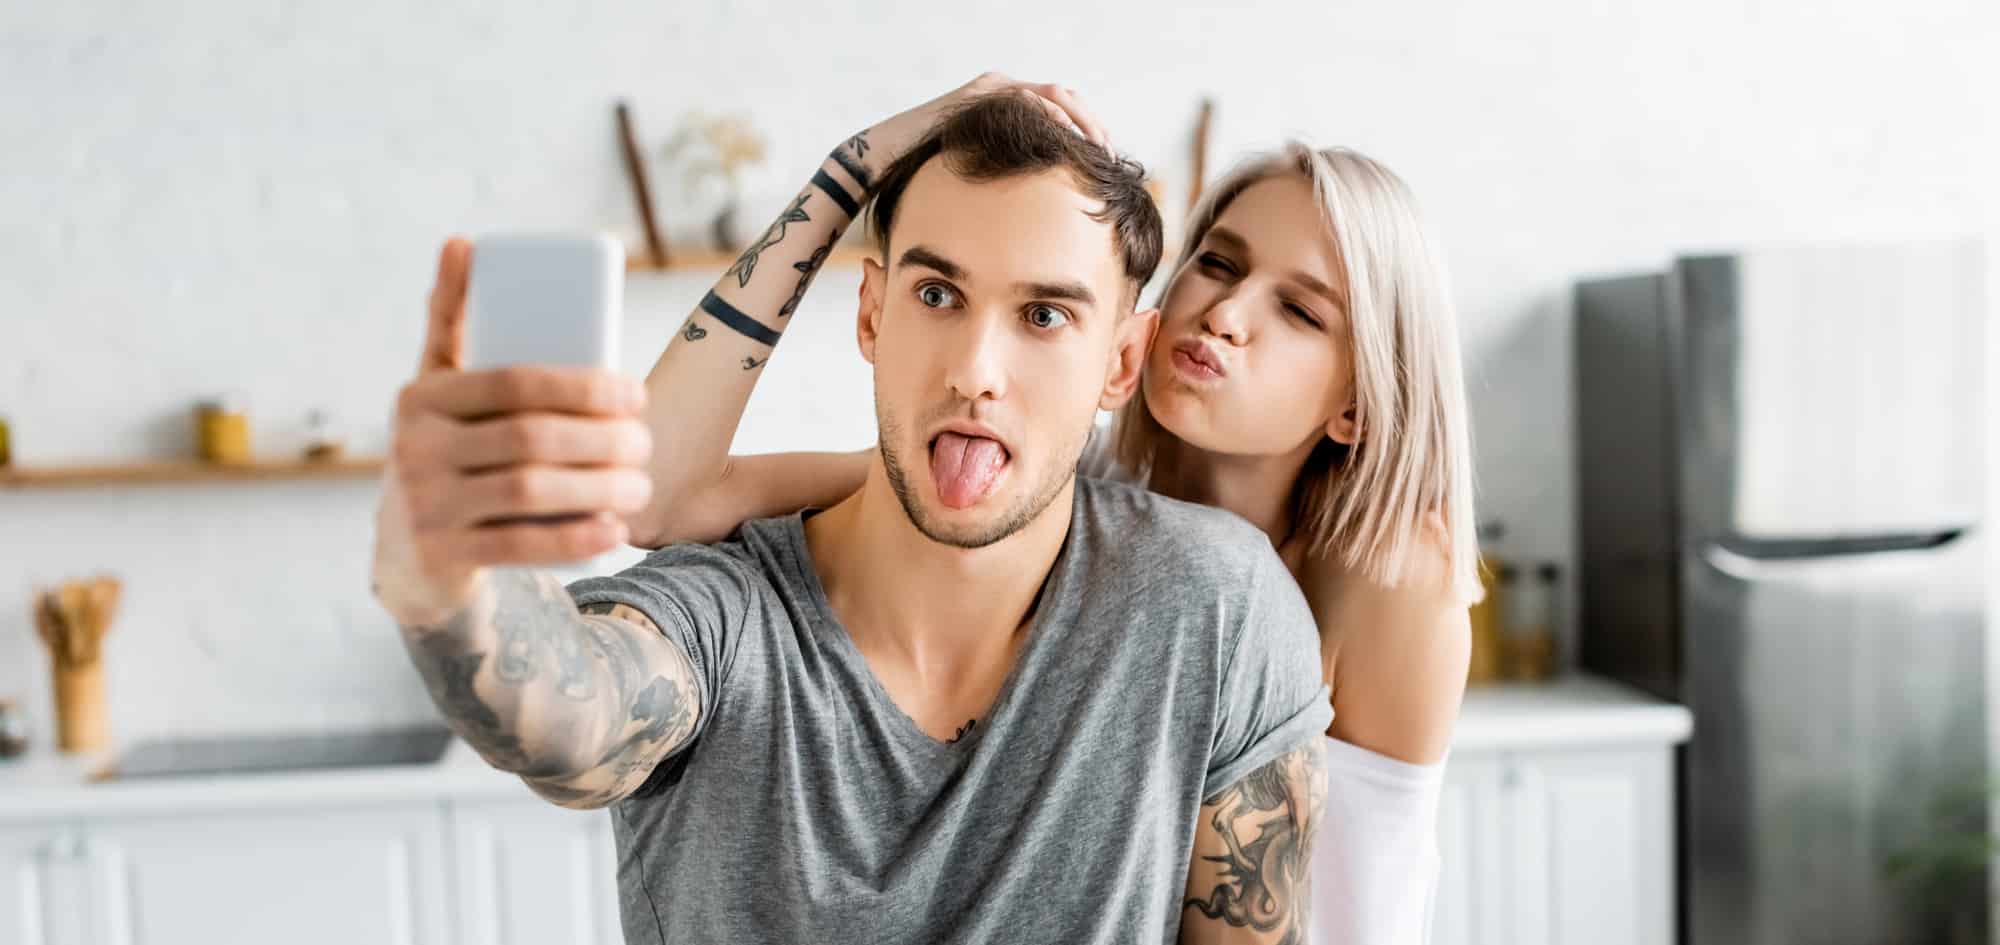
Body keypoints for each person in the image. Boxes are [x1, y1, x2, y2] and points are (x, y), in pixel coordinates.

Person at [372, 80, 1332, 944]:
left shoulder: (1215, 611)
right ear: (871, 315)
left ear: (1122, 362)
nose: (975, 373)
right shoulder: (728, 611)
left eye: (1044, 316)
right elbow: (555, 716)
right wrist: (446, 578)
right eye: (937, 293)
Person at [632, 79, 1481, 945]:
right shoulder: (1048, 492)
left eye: (1298, 310)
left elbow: (1375, 905)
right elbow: (664, 494)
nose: (1226, 314)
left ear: (1357, 407)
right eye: (1219, 262)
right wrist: (858, 164)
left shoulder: (1394, 576)